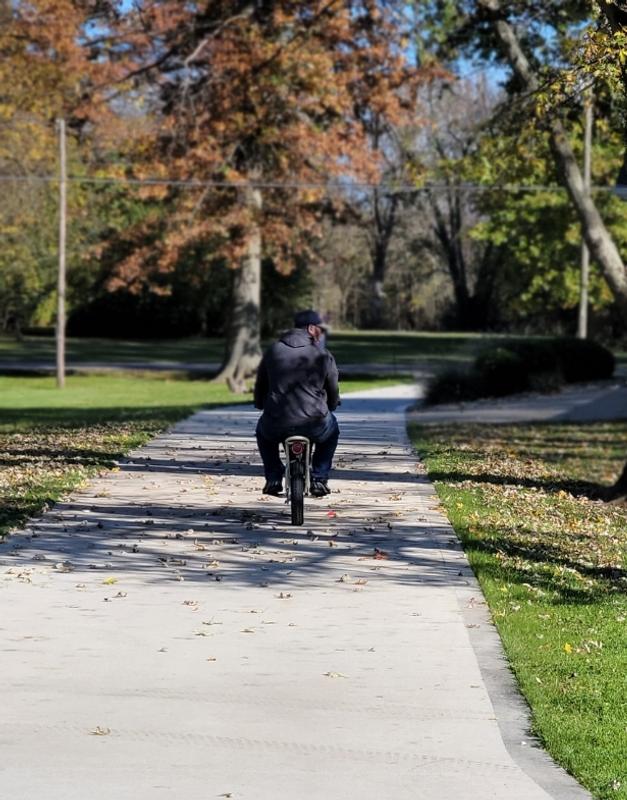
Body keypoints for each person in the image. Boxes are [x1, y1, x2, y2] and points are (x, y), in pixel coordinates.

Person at [254, 309, 340, 497]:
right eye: (320, 329)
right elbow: (333, 386)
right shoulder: (322, 354)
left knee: (263, 433)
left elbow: (261, 384)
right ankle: (319, 478)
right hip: (315, 422)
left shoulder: (273, 351)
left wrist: (260, 404)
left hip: (276, 422)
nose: (321, 333)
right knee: (332, 432)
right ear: (311, 328)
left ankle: (273, 477)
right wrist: (332, 405)